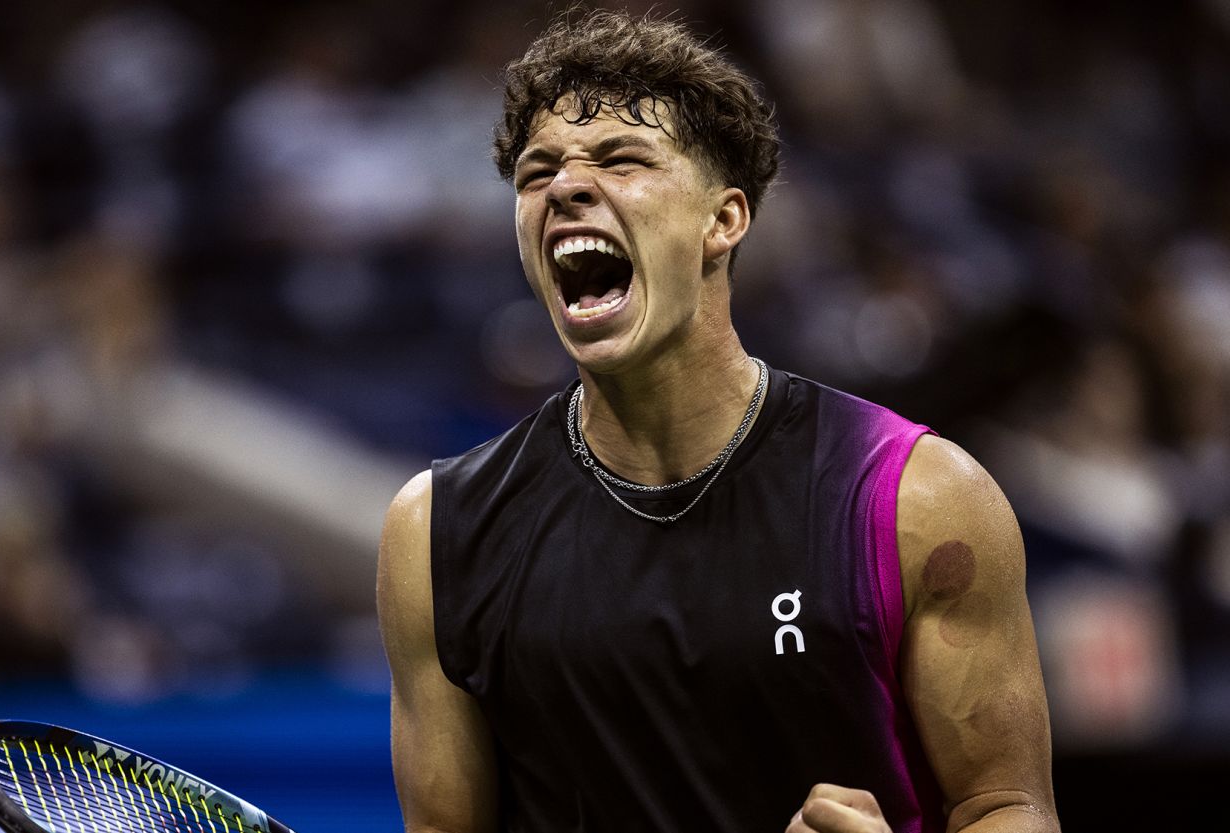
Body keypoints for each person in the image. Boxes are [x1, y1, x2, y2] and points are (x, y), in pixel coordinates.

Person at [377, 9, 1059, 833]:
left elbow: (1006, 807)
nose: (563, 186)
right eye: (536, 172)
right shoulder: (437, 534)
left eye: (622, 159)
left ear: (724, 219)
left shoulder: (917, 496)